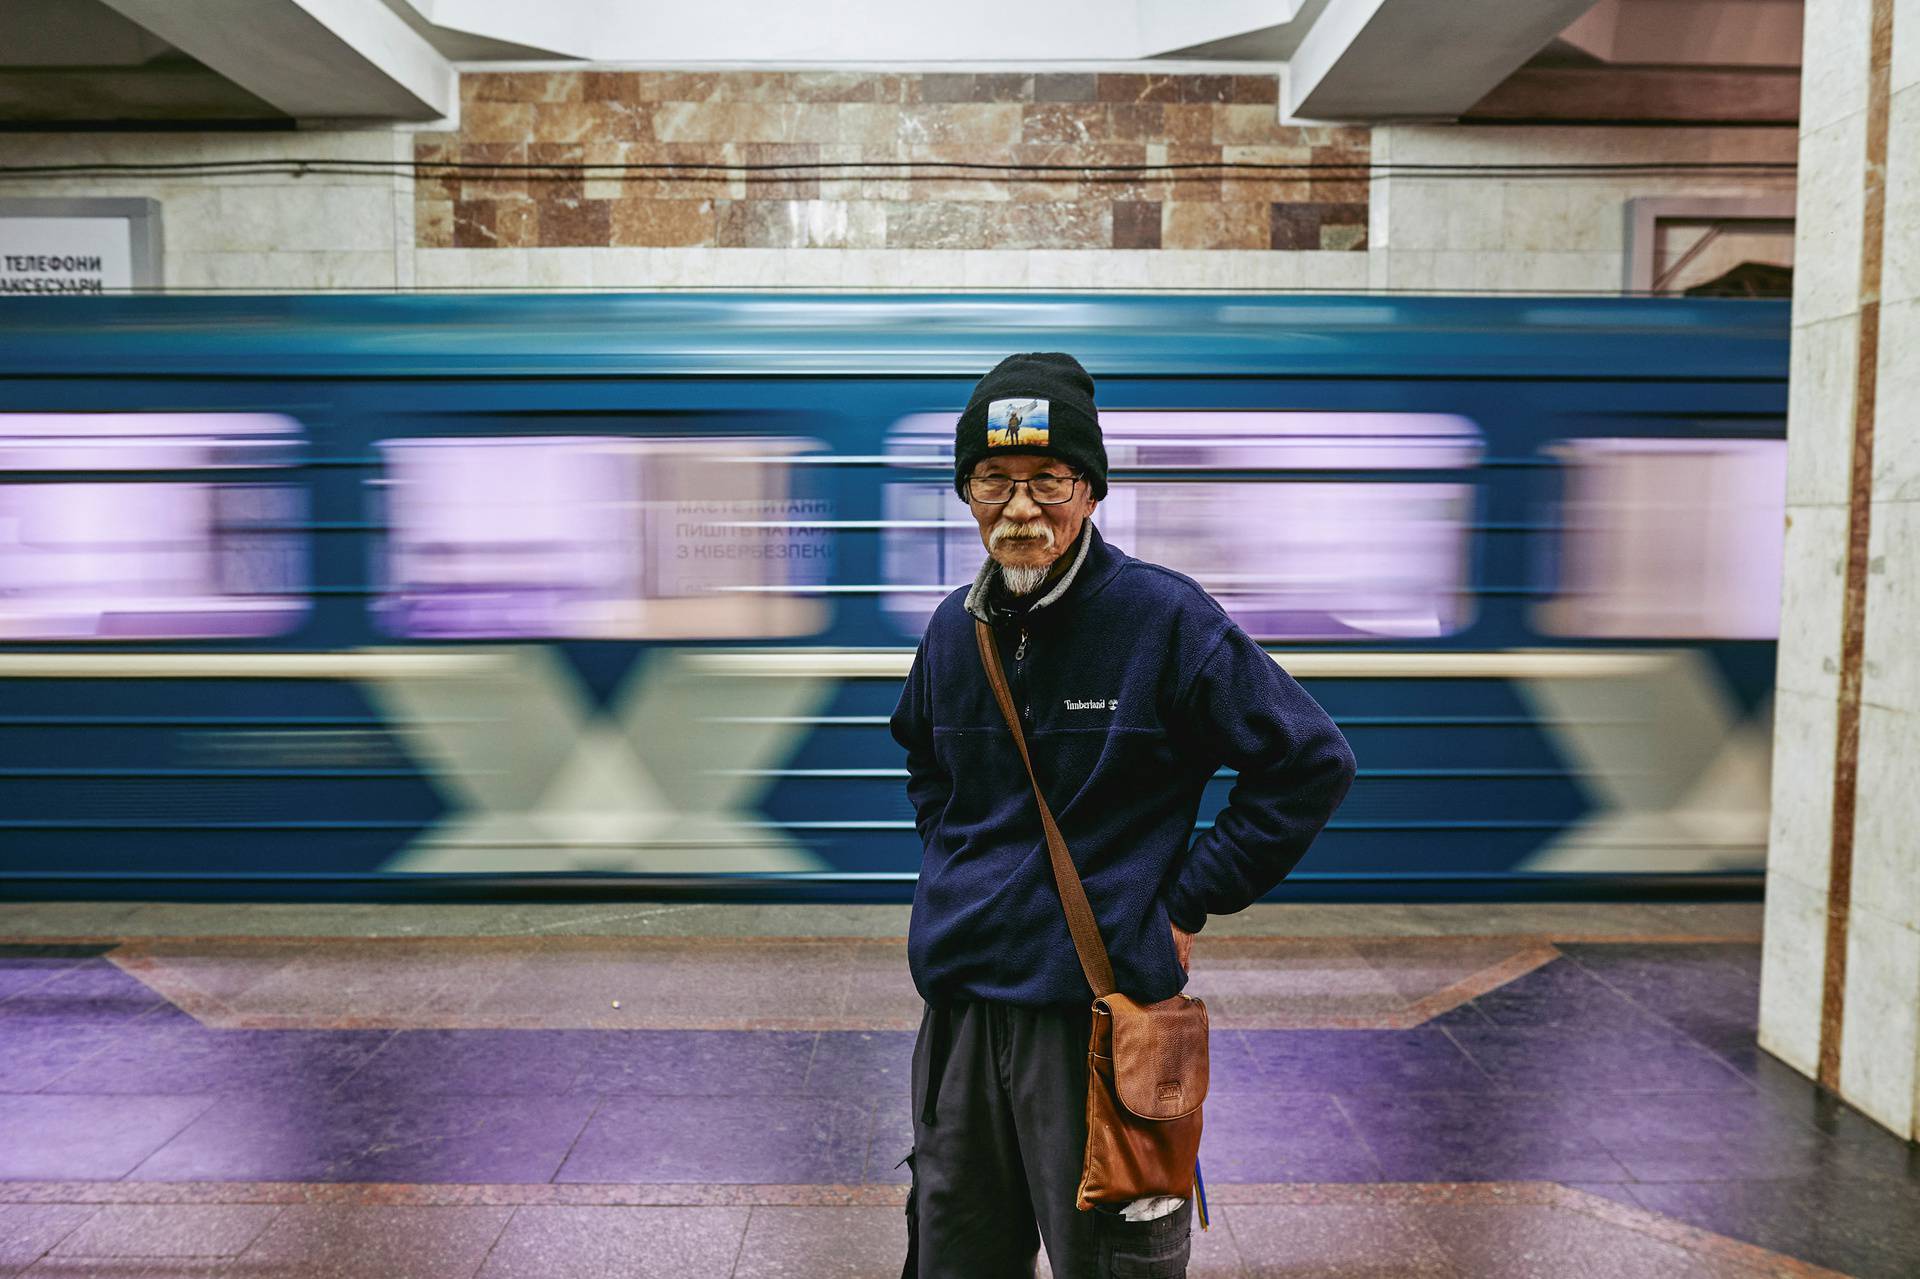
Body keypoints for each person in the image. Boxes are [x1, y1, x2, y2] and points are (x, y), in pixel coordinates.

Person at [889, 352, 1357, 1278]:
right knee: (952, 1258)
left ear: (1092, 490)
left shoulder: (1162, 619)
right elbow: (926, 762)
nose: (1021, 508)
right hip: (963, 1017)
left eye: (1049, 480)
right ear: (967, 493)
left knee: (1111, 1265)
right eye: (994, 480)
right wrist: (958, 873)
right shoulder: (954, 628)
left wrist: (1184, 903)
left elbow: (1309, 761)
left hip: (1100, 1022)